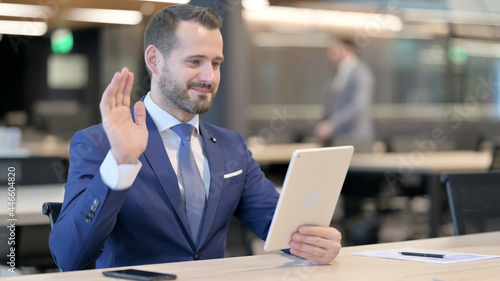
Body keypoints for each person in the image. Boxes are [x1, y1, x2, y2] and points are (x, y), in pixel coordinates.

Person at [49, 4, 342, 271]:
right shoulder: (99, 144)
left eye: (215, 63)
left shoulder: (232, 147)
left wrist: (316, 242)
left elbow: (280, 228)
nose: (210, 77)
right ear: (154, 60)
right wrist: (120, 164)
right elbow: (69, 257)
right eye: (194, 61)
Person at [314, 38, 374, 146]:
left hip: (354, 138)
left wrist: (331, 125)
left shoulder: (361, 73)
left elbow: (358, 106)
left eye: (335, 48)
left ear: (347, 49)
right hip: (337, 137)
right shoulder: (338, 72)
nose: (331, 52)